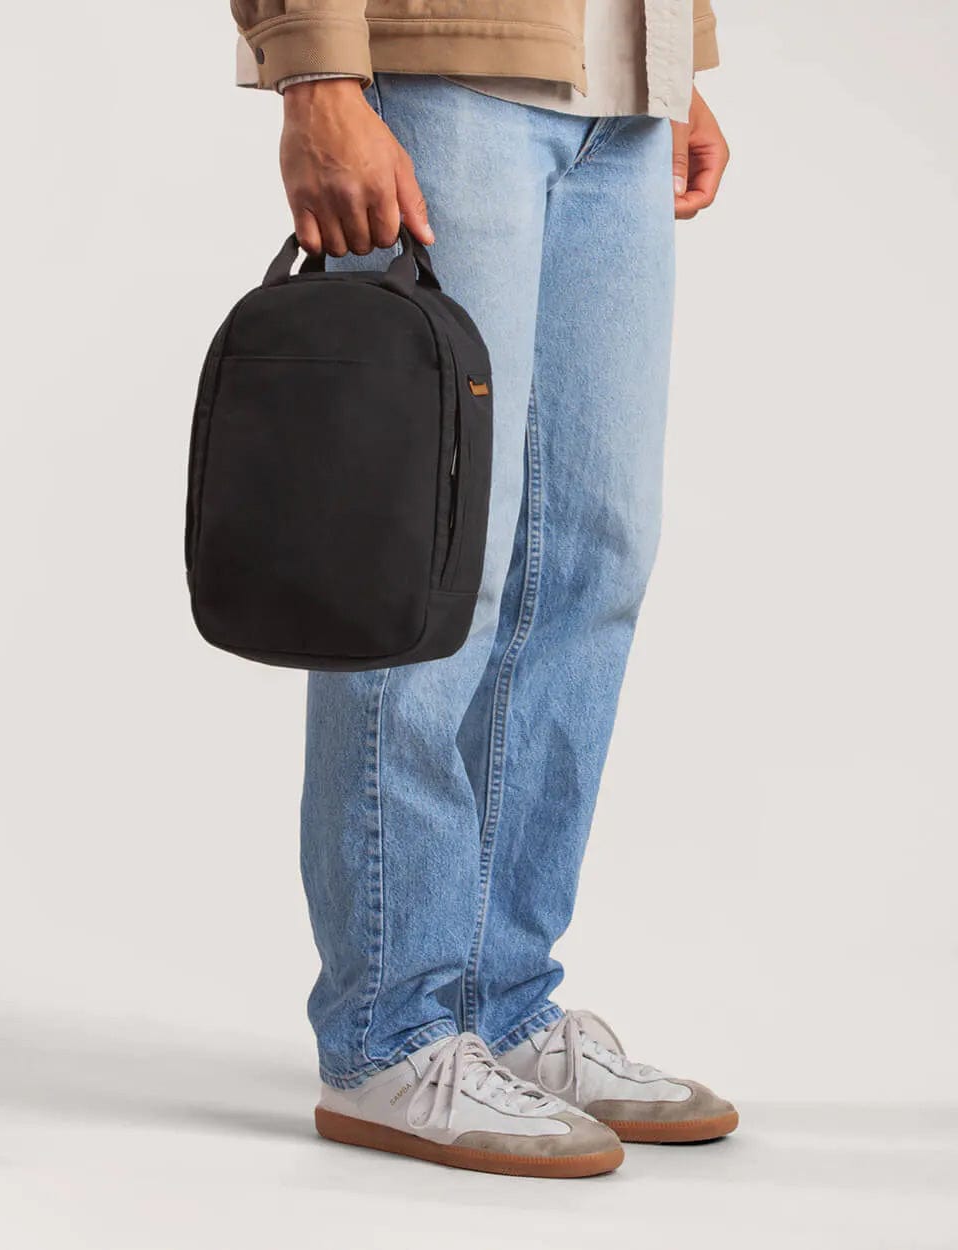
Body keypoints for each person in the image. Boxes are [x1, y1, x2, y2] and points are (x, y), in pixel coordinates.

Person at [229, 0, 734, 1178]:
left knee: (593, 557)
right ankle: (389, 1030)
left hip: (621, 100)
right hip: (440, 76)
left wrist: (671, 56)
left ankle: (502, 1003)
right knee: (428, 556)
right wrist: (315, 77)